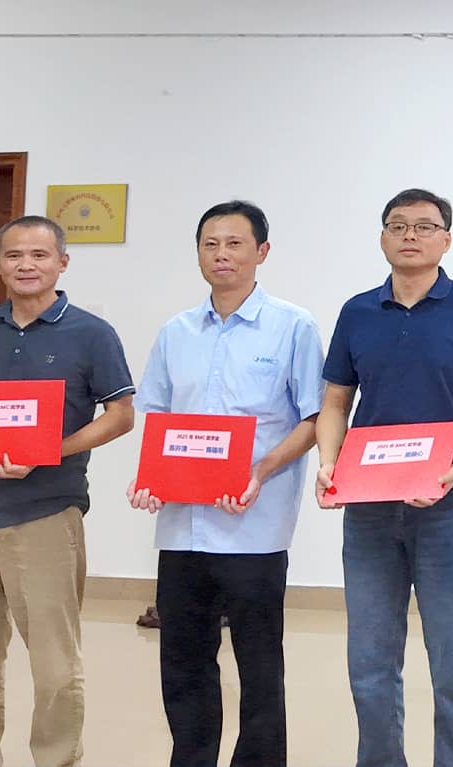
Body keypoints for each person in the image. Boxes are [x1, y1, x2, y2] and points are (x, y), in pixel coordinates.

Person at [314, 188, 453, 767]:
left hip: (447, 505)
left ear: (446, 240)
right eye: (397, 225)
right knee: (370, 664)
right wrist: (328, 462)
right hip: (369, 508)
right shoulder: (357, 312)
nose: (409, 235)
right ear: (382, 237)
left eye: (424, 226)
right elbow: (335, 403)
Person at [128, 200, 323, 766]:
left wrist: (259, 472)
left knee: (258, 664)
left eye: (235, 243)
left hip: (254, 527)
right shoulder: (176, 331)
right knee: (183, 661)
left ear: (262, 252)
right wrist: (151, 480)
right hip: (182, 528)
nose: (221, 254)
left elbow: (314, 419)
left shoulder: (293, 326)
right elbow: (158, 419)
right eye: (210, 244)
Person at [0, 215, 136, 767]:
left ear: (62, 263)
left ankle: (57, 760)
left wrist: (50, 450)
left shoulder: (92, 333)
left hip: (47, 514)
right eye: (14, 255)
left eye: (40, 255)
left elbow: (121, 415)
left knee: (54, 666)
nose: (26, 265)